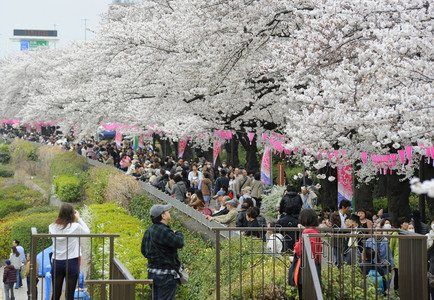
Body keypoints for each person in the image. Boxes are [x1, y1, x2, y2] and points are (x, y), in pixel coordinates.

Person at [141, 204, 184, 300]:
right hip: (166, 275)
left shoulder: (149, 230)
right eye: (167, 211)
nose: (169, 212)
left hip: (152, 272)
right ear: (163, 216)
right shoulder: (164, 231)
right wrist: (178, 233)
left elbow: (143, 251)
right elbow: (179, 243)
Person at [49, 203, 90, 300]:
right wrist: (79, 218)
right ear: (72, 214)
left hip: (57, 261)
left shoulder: (51, 227)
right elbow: (87, 232)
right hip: (71, 262)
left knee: (56, 293)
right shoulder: (75, 226)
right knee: (70, 294)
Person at [293, 209, 322, 299]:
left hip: (306, 267)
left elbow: (299, 250)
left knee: (303, 294)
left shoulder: (307, 232)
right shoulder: (316, 231)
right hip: (315, 264)